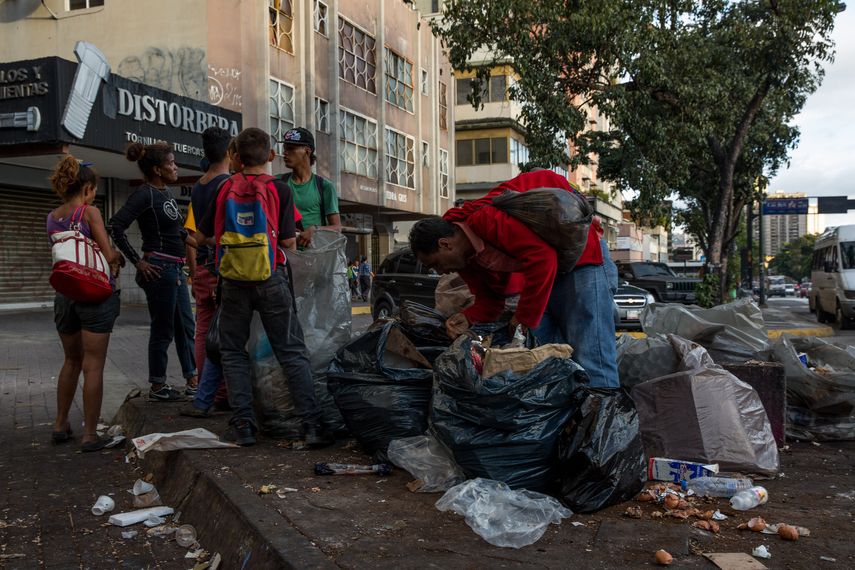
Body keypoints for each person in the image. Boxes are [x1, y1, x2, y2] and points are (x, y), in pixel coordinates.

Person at [409, 169, 619, 389]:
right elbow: (492, 301)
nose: (441, 272)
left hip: (582, 259)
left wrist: (524, 317)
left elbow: (543, 258)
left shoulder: (484, 219)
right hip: (548, 276)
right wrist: (467, 317)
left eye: (435, 264)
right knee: (542, 359)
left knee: (591, 356)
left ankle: (604, 406)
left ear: (445, 244)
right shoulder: (467, 263)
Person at [196, 127, 332, 447]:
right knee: (291, 351)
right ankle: (311, 425)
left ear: (236, 156)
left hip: (232, 281)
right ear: (270, 155)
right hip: (271, 279)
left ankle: (244, 425)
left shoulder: (224, 187)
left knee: (233, 352)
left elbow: (202, 236)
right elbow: (288, 242)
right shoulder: (279, 190)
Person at [110, 142, 198, 401]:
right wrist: (138, 262)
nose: (176, 167)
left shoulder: (165, 192)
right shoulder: (144, 194)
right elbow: (115, 226)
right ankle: (158, 385)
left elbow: (178, 231)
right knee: (163, 329)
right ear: (158, 170)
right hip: (160, 270)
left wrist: (206, 245)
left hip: (176, 269)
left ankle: (192, 380)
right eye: (171, 163)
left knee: (185, 326)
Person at [47, 157, 124, 451]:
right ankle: (90, 435)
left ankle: (60, 425)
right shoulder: (90, 212)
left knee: (71, 361)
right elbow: (107, 253)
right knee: (93, 365)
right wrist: (117, 258)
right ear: (87, 189)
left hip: (65, 296)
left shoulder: (52, 216)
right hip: (94, 294)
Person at [179, 127, 232, 418]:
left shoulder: (199, 185)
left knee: (203, 330)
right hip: (220, 267)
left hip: (201, 266)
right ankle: (222, 393)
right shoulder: (228, 184)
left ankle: (205, 391)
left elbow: (197, 232)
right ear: (228, 152)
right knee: (226, 332)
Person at [277, 127, 341, 247]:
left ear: (307, 151)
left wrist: (315, 230)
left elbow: (337, 228)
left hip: (314, 255)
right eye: (285, 148)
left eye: (291, 149)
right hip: (285, 255)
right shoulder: (278, 183)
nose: (285, 153)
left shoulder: (325, 186)